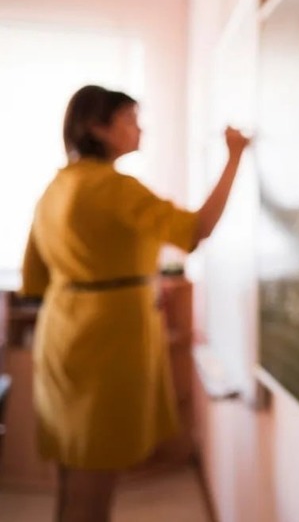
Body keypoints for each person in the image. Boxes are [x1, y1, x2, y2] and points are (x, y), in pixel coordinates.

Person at [19, 85, 250, 522]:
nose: (139, 128)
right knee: (95, 475)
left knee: (72, 469)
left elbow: (35, 275)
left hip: (61, 332)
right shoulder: (114, 187)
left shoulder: (56, 186)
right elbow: (195, 230)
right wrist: (234, 156)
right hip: (104, 341)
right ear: (96, 128)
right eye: (129, 119)